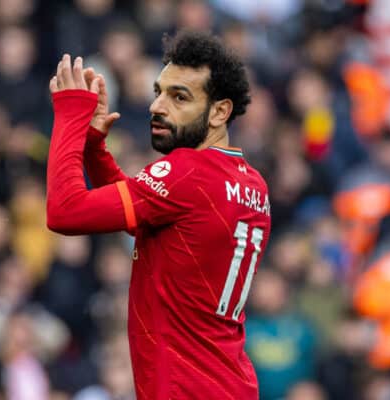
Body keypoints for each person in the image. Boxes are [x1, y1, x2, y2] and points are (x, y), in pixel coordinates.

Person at [46, 31, 271, 399]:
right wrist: (94, 149)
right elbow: (150, 223)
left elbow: (64, 212)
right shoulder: (252, 183)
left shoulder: (188, 173)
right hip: (228, 384)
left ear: (220, 111)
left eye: (178, 97)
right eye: (158, 92)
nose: (157, 106)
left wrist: (71, 114)